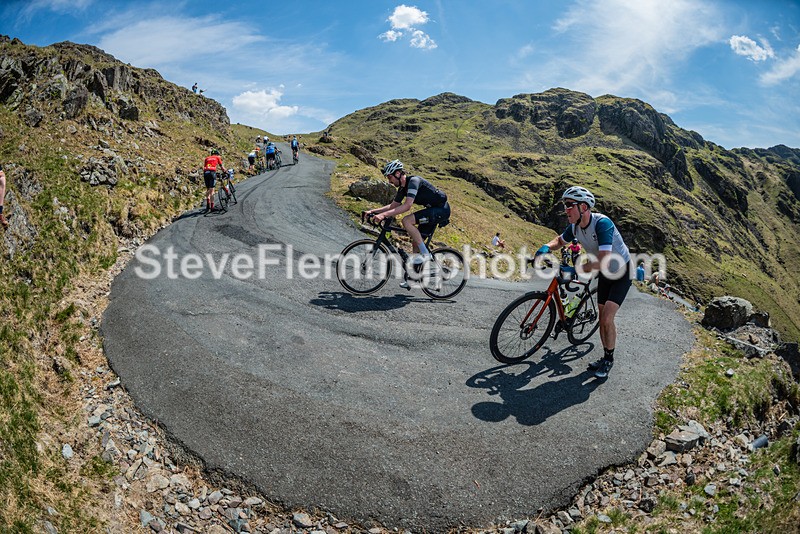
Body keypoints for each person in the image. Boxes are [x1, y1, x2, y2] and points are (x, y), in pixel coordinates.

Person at [534, 186, 631, 379]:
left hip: (621, 272)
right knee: (602, 315)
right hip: (605, 273)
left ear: (584, 207)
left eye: (570, 205)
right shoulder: (575, 227)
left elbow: (603, 259)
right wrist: (546, 247)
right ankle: (605, 355)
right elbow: (560, 241)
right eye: (565, 205)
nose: (566, 209)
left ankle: (608, 359)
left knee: (606, 319)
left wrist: (575, 270)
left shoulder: (602, 224)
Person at [366, 160, 450, 289]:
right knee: (416, 241)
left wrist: (383, 215)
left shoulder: (413, 181)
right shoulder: (402, 189)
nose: (389, 181)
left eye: (390, 177)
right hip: (431, 211)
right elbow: (393, 206)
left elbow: (407, 206)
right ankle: (415, 277)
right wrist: (373, 211)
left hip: (440, 210)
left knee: (406, 221)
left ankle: (426, 254)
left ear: (398, 173)